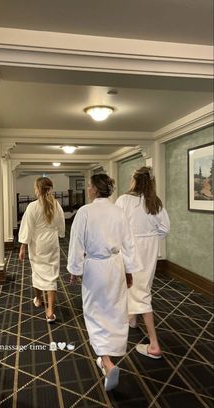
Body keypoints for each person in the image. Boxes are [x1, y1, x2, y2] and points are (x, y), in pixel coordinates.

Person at [67, 174, 135, 392]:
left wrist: (75, 270)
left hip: (94, 267)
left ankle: (105, 360)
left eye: (89, 185)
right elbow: (129, 244)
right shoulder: (119, 211)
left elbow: (76, 241)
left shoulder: (85, 212)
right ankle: (110, 353)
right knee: (114, 308)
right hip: (116, 265)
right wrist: (129, 270)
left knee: (95, 311)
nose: (87, 188)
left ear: (95, 189)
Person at [116, 166, 170, 359]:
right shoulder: (154, 202)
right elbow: (165, 228)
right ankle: (132, 318)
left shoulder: (123, 200)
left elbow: (117, 226)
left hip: (131, 248)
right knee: (142, 286)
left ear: (134, 180)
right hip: (149, 249)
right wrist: (151, 236)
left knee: (135, 288)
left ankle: (154, 344)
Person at [18, 177, 65, 323]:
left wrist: (23, 246)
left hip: (37, 243)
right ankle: (50, 311)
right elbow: (61, 224)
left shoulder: (32, 206)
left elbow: (27, 227)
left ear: (38, 189)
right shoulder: (56, 204)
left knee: (37, 271)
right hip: (51, 241)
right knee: (51, 274)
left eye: (35, 187)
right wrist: (61, 234)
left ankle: (38, 298)